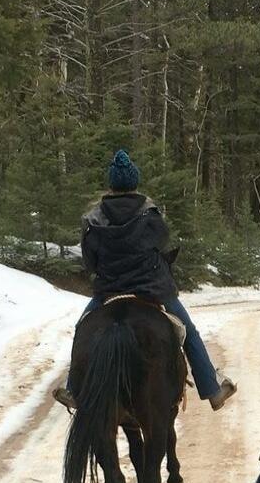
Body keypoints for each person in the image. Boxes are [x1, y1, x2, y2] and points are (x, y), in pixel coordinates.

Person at [53, 150, 236, 411]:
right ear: (135, 183)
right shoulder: (150, 214)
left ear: (111, 185)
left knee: (83, 328)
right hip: (151, 288)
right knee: (189, 332)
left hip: (109, 291)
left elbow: (90, 262)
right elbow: (162, 244)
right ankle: (211, 389)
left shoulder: (93, 218)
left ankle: (73, 389)